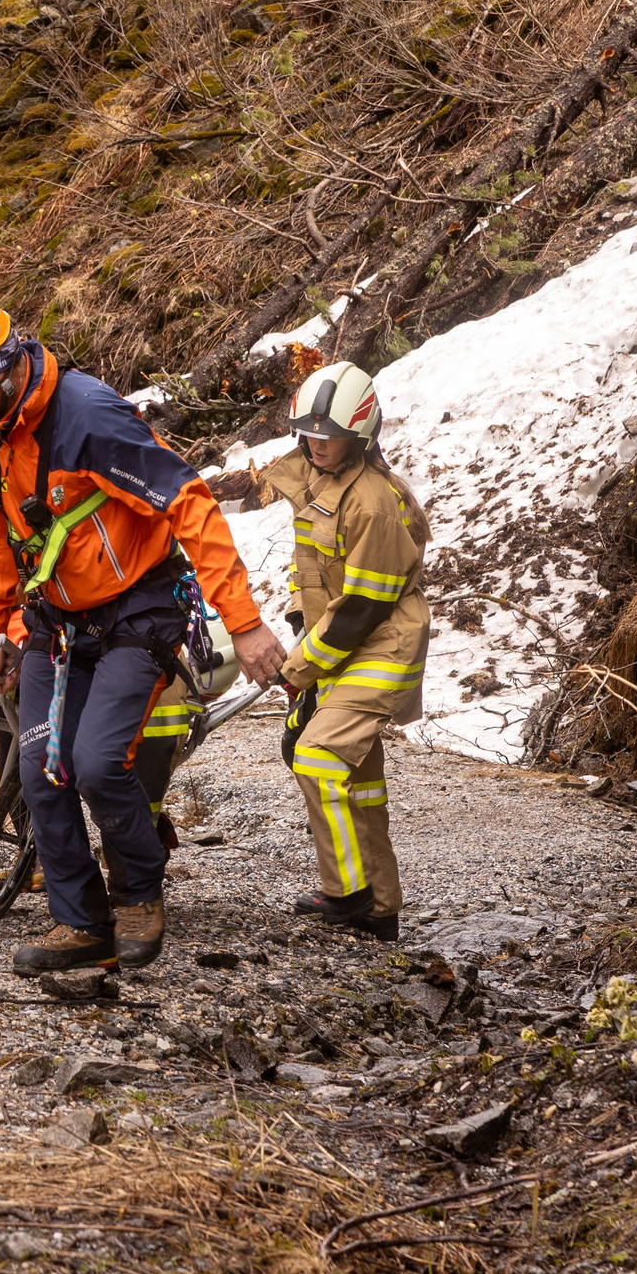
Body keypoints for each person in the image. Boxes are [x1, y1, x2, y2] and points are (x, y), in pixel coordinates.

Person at [0, 290, 282, 975]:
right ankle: (82, 921)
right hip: (55, 623)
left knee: (98, 761)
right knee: (39, 767)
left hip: (137, 611)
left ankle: (138, 891)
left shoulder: (86, 416)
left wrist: (247, 624)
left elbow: (188, 502)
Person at [251, 362, 432, 939]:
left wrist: (300, 670)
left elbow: (362, 607)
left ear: (360, 435)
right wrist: (305, 637)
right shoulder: (321, 481)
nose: (314, 444)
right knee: (360, 782)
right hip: (343, 643)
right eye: (307, 433)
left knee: (318, 757)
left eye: (327, 436)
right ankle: (381, 909)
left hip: (382, 645)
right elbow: (321, 581)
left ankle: (346, 892)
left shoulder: (372, 503)